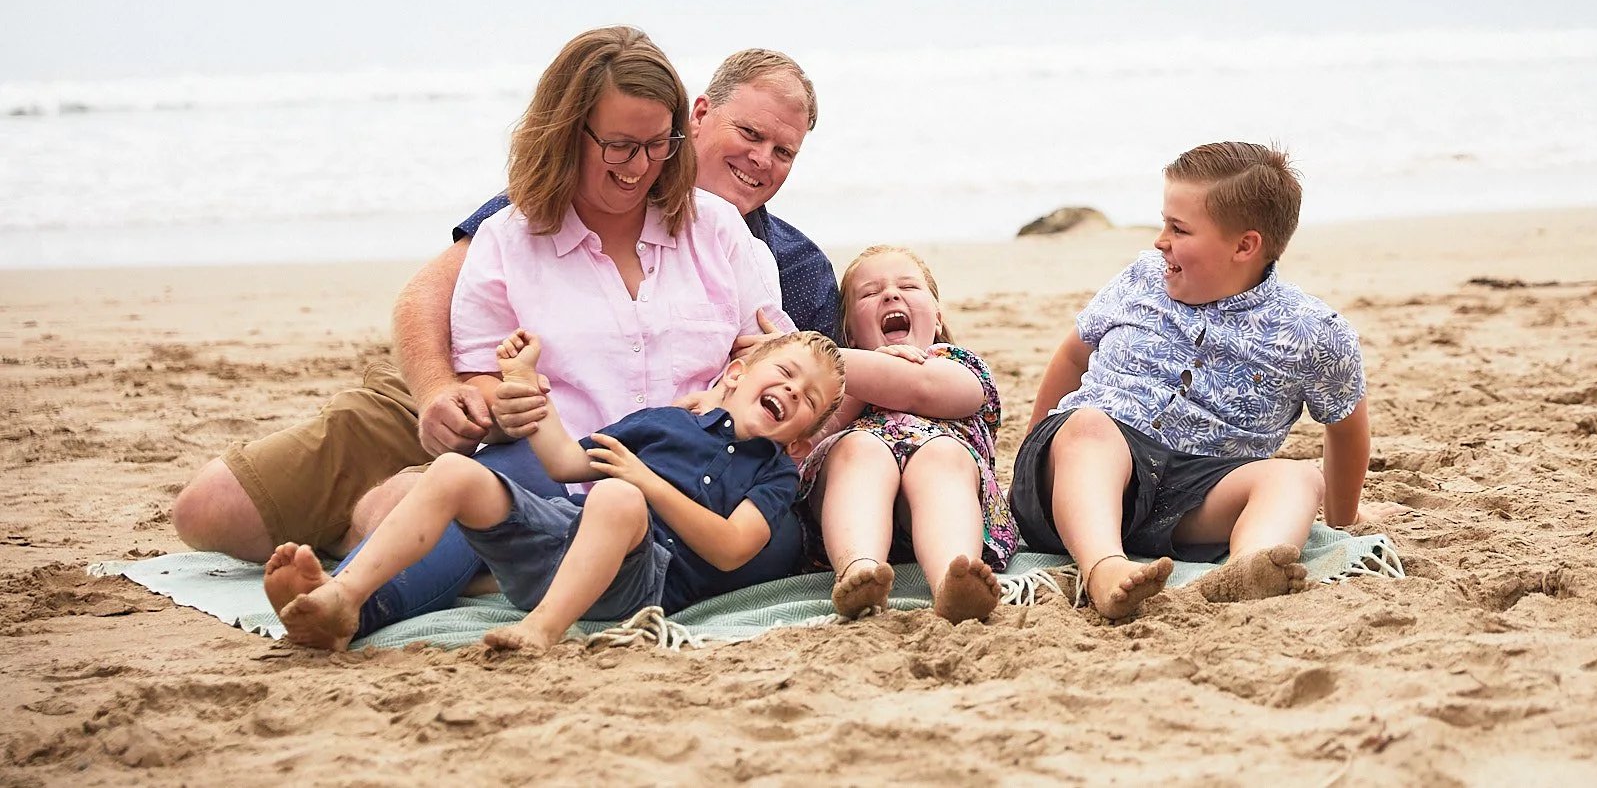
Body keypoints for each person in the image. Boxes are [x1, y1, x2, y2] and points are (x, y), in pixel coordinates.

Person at [171, 47, 836, 565]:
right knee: (213, 509)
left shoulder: (795, 268)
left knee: (472, 501)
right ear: (697, 116)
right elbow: (429, 292)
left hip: (572, 454)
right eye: (749, 132)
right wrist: (437, 392)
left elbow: (819, 397)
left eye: (785, 151)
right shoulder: (596, 181)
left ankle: (378, 526)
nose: (761, 159)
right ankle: (390, 516)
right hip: (457, 389)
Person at [263, 327, 844, 652]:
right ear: (737, 374)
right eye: (786, 374)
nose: (793, 392)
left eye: (809, 400)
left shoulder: (774, 474)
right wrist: (522, 384)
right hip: (561, 543)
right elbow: (566, 462)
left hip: (641, 582)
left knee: (620, 497)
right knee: (455, 473)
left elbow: (731, 546)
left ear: (801, 437)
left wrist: (644, 483)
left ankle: (541, 630)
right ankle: (346, 596)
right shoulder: (663, 422)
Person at [1007, 142, 1370, 620]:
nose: (1161, 240)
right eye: (1164, 223)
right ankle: (1104, 569)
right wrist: (1035, 450)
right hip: (1080, 471)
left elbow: (1346, 429)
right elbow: (1073, 355)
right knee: (1089, 427)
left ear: (1245, 246)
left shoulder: (1315, 332)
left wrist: (1344, 519)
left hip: (1194, 495)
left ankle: (1246, 571)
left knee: (1297, 477)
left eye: (1178, 229)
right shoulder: (1142, 278)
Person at [798, 246, 1020, 624]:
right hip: (852, 506)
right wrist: (853, 377)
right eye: (869, 293)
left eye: (908, 286)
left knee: (939, 457)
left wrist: (817, 357)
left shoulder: (955, 364)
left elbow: (920, 389)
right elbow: (812, 440)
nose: (890, 294)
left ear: (936, 317)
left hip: (945, 496)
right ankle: (859, 568)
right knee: (858, 449)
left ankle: (954, 577)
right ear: (849, 332)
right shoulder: (838, 386)